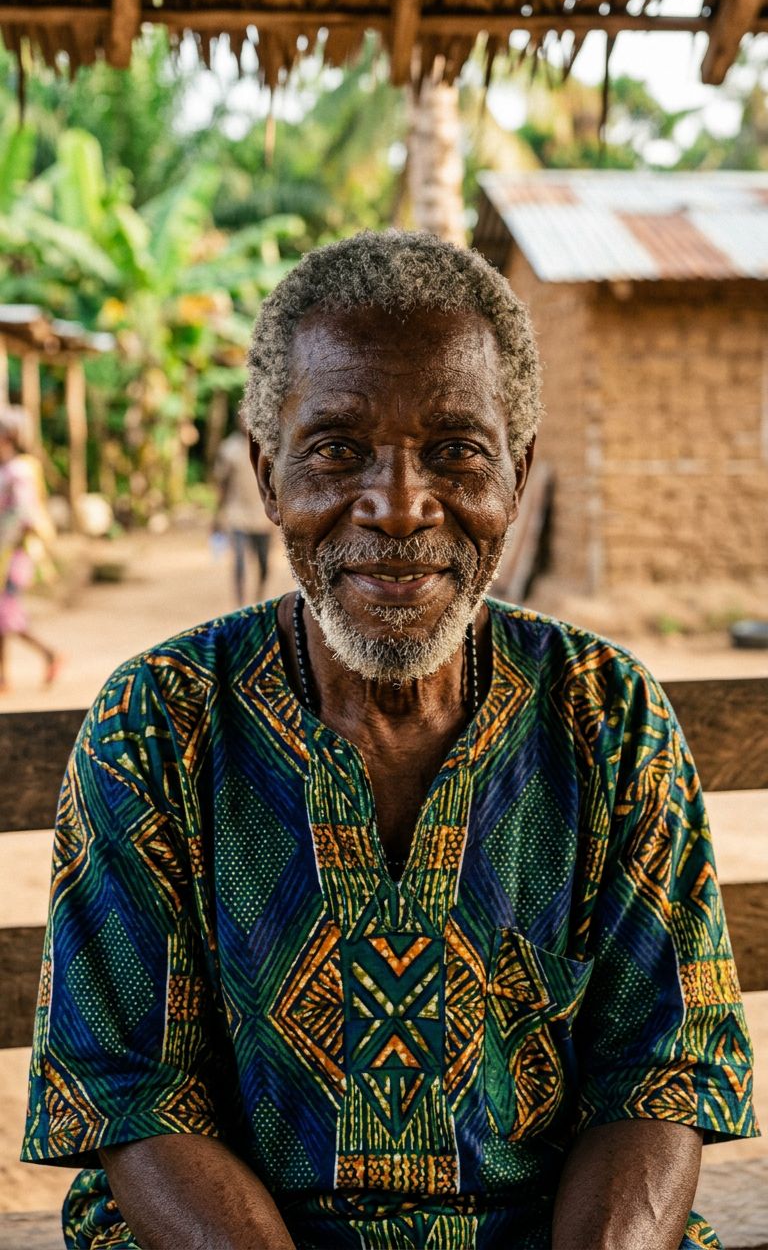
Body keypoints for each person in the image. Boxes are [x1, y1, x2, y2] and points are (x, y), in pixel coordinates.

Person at [22, 231, 757, 1250]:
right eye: (336, 449)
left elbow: (658, 1071)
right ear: (268, 474)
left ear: (520, 472)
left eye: (457, 448)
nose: (401, 506)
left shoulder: (609, 715)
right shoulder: (157, 723)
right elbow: (132, 1092)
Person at [0, 407, 60, 692]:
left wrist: (6, 548)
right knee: (4, 615)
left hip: (12, 556)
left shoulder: (18, 471)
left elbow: (25, 517)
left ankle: (48, 654)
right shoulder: (6, 471)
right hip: (5, 553)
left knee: (4, 614)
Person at [213, 416, 276, 607]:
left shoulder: (269, 447)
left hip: (262, 515)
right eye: (241, 418)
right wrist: (216, 516)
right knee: (239, 562)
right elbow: (222, 485)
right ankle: (240, 604)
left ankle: (258, 598)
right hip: (237, 514)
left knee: (264, 565)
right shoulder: (229, 449)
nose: (245, 422)